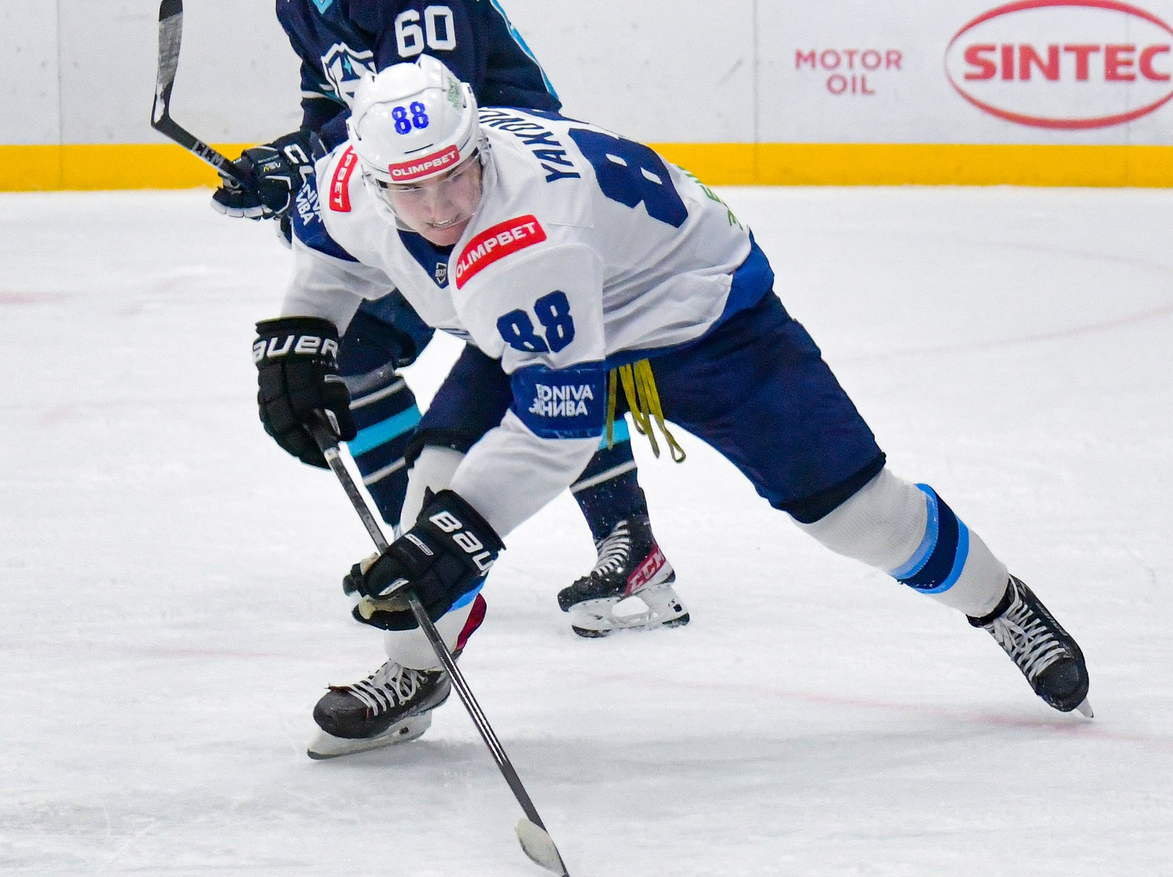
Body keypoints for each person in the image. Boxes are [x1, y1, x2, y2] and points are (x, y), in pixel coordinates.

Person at [262, 56, 1094, 754]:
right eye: (412, 190)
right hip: (571, 301)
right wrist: (299, 333)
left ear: (479, 146)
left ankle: (1001, 602)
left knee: (858, 518)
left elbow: (561, 430)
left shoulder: (527, 238)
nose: (440, 206)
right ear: (370, 182)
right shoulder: (349, 186)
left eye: (454, 175)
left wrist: (465, 532)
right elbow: (330, 258)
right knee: (433, 483)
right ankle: (416, 667)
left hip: (698, 313)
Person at [222, 0, 686, 641]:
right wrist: (285, 166)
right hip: (414, 192)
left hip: (500, 185)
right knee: (359, 350)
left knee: (535, 350)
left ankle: (622, 541)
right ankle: (422, 540)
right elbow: (333, 104)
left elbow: (432, 101)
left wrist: (309, 163)